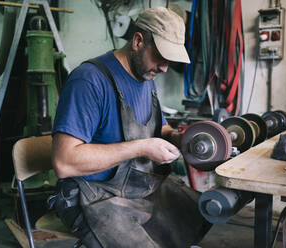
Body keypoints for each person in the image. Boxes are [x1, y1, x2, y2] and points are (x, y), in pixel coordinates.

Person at [49, 6, 211, 248]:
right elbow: (64, 162)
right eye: (160, 56)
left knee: (198, 213)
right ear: (138, 41)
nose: (165, 67)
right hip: (91, 198)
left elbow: (160, 128)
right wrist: (141, 147)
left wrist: (179, 138)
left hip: (136, 189)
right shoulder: (89, 81)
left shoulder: (146, 76)